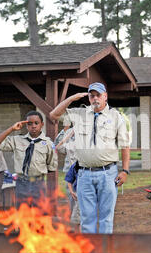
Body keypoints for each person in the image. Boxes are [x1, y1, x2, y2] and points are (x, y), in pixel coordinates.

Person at [49, 82, 130, 234]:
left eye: (98, 95)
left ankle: (105, 251)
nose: (95, 98)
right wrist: (72, 98)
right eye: (91, 96)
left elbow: (125, 146)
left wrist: (125, 170)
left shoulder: (116, 116)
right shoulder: (79, 114)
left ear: (105, 96)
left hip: (108, 174)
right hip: (84, 174)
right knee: (86, 218)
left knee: (106, 218)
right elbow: (54, 115)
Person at [0, 111, 57, 206]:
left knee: (38, 215)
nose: (33, 126)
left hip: (38, 183)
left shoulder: (48, 144)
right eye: (30, 124)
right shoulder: (17, 140)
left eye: (36, 123)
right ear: (26, 126)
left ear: (42, 124)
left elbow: (51, 167)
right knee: (22, 215)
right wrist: (11, 129)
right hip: (21, 183)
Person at [54, 125, 78, 224]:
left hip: (85, 170)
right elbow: (58, 148)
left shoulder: (90, 131)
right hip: (70, 171)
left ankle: (83, 221)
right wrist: (65, 132)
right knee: (71, 195)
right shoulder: (69, 132)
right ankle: (73, 220)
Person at [64, 161, 81, 230]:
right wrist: (71, 191)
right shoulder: (76, 165)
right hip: (78, 193)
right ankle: (76, 232)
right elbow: (69, 179)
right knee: (76, 216)